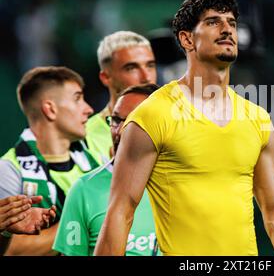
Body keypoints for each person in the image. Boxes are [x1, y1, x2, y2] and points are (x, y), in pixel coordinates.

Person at [95, 0, 274, 256]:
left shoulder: (257, 119)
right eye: (213, 22)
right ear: (187, 39)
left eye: (231, 23)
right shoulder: (152, 115)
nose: (227, 29)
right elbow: (121, 211)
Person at [0, 66, 99, 255]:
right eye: (77, 98)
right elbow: (12, 250)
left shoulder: (96, 157)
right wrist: (87, 219)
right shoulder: (9, 170)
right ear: (50, 109)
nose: (88, 109)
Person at [53, 84, 161, 256]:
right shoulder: (83, 189)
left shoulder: (186, 186)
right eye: (116, 120)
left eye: (133, 121)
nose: (119, 131)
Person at [85, 31, 157, 162]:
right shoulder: (85, 137)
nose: (147, 77)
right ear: (106, 77)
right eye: (131, 68)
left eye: (150, 65)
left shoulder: (176, 126)